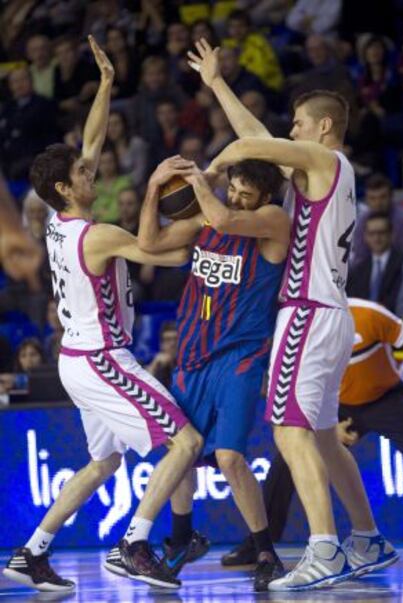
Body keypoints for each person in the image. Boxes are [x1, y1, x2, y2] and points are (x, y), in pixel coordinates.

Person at [187, 38, 397, 590]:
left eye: (300, 124)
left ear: (324, 128)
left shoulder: (325, 157)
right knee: (323, 436)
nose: (294, 130)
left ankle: (323, 548)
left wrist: (220, 159)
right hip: (330, 314)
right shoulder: (328, 171)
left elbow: (257, 145)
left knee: (289, 431)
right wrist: (217, 84)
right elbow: (263, 140)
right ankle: (368, 536)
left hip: (306, 315)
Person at [2, 35, 202, 594]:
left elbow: (89, 140)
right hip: (102, 359)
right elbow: (158, 248)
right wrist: (179, 194)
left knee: (102, 465)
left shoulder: (57, 218)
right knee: (185, 443)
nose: (96, 171)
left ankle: (30, 553)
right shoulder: (99, 234)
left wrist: (108, 84)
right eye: (85, 174)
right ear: (66, 187)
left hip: (77, 356)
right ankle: (134, 544)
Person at [133, 155, 289, 592]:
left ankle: (265, 551)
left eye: (246, 195)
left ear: (265, 199)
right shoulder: (207, 222)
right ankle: (182, 539)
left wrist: (204, 179)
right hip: (191, 357)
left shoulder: (273, 222)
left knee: (229, 458)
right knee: (183, 452)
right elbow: (147, 243)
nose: (237, 200)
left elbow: (221, 214)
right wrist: (154, 187)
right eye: (233, 190)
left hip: (239, 358)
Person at [223, 297, 403, 565]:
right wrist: (328, 427)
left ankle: (359, 542)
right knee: (288, 459)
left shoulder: (368, 314)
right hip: (338, 404)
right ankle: (259, 544)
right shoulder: (294, 329)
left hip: (387, 398)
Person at [347, 212, 403, 312]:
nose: (376, 238)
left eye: (381, 232)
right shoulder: (358, 270)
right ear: (365, 236)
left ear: (391, 234)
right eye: (372, 233)